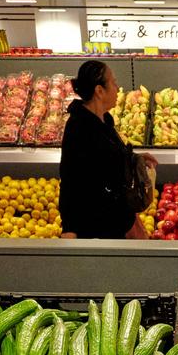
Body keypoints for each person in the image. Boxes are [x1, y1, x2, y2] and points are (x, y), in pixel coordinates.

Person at [58, 61, 151, 240]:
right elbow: (70, 180)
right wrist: (69, 229)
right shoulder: (79, 128)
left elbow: (111, 156)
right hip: (97, 226)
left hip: (118, 219)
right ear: (99, 91)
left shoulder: (105, 120)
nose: (118, 88)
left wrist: (135, 159)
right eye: (114, 83)